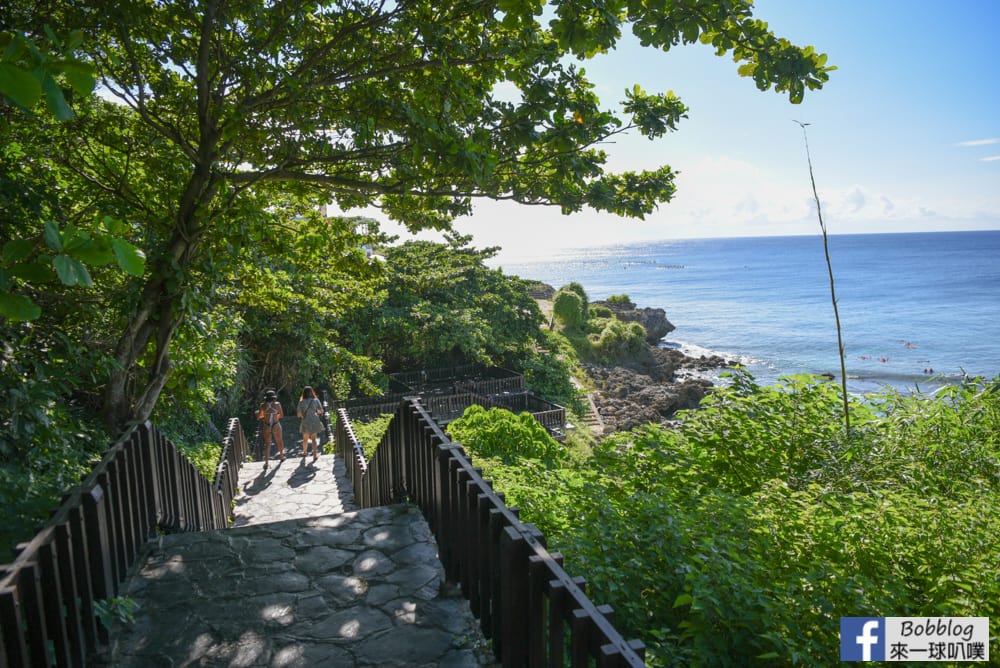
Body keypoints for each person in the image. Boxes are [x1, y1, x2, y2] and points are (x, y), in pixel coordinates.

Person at [297, 385, 325, 462]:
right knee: (314, 439)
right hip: (314, 420)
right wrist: (315, 412)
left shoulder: (301, 402)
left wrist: (303, 416)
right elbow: (321, 411)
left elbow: (299, 414)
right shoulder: (316, 400)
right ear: (312, 392)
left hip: (305, 421)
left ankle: (305, 452)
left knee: (305, 439)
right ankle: (315, 455)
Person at [257, 389, 285, 464]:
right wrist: (275, 415)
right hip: (276, 424)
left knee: (267, 444)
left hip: (267, 425)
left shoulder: (262, 405)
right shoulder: (277, 404)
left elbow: (259, 417)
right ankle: (282, 457)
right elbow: (281, 415)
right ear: (274, 397)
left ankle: (266, 462)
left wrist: (261, 414)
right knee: (279, 441)